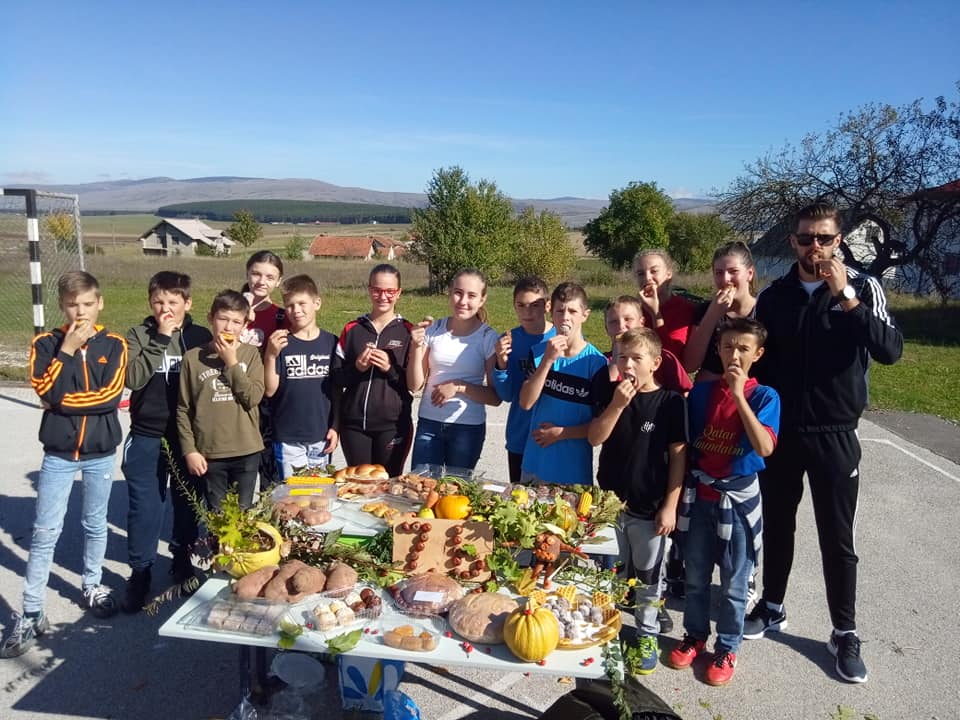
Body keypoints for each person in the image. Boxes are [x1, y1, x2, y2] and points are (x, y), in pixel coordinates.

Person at [744, 201, 903, 684]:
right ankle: (772, 605)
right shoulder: (775, 297)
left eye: (825, 238)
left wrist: (847, 297)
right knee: (779, 525)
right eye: (806, 238)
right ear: (792, 241)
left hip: (836, 435)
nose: (815, 247)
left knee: (838, 539)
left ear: (839, 242)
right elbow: (760, 362)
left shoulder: (865, 288)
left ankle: (844, 632)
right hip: (785, 434)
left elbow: (890, 350)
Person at [1, 271, 127, 658]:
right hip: (58, 453)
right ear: (62, 306)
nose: (81, 312)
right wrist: (68, 349)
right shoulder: (46, 343)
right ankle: (32, 610)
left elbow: (110, 396)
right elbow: (44, 389)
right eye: (73, 305)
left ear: (100, 302)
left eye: (88, 304)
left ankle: (92, 583)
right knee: (44, 531)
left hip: (100, 452)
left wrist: (62, 401)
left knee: (94, 522)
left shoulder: (114, 344)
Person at [667, 317, 780, 687]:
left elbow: (764, 446)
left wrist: (737, 396)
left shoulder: (765, 396)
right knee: (696, 575)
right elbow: (685, 443)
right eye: (728, 346)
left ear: (757, 354)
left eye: (743, 348)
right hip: (701, 496)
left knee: (734, 583)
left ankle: (727, 646)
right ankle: (695, 635)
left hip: (737, 498)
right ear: (718, 348)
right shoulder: (701, 393)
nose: (734, 354)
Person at [588, 327, 687, 675]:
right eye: (621, 357)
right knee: (610, 575)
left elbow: (678, 457)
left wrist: (670, 505)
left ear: (655, 363)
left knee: (647, 578)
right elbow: (594, 437)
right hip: (612, 506)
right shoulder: (614, 395)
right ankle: (609, 630)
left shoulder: (671, 403)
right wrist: (617, 405)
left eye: (636, 358)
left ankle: (646, 633)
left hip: (650, 510)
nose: (627, 364)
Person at [121, 271, 212, 613]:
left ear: (188, 303)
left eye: (173, 302)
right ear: (149, 302)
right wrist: (161, 336)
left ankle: (182, 560)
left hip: (187, 435)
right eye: (159, 301)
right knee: (145, 507)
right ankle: (141, 572)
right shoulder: (139, 334)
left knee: (188, 501)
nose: (166, 309)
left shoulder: (200, 336)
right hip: (148, 432)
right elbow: (133, 377)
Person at [177, 290, 265, 511]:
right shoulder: (192, 358)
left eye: (236, 322)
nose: (228, 327)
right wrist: (190, 450)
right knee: (217, 515)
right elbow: (183, 408)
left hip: (246, 449)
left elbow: (252, 397)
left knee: (242, 514)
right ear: (211, 318)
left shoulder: (251, 354)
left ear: (244, 325)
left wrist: (232, 363)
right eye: (223, 319)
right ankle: (217, 547)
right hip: (210, 452)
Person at [407, 268, 501, 472]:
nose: (463, 301)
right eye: (458, 292)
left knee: (456, 494)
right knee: (421, 490)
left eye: (472, 295)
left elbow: (495, 397)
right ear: (450, 293)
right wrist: (415, 346)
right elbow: (414, 385)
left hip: (467, 428)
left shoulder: (488, 338)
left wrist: (459, 386)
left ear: (482, 300)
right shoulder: (433, 330)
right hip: (429, 424)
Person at [518, 282, 608, 486]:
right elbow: (526, 402)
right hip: (535, 463)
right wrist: (547, 361)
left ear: (585, 315)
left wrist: (562, 433)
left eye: (573, 311)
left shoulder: (596, 363)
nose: (565, 317)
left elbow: (599, 428)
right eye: (560, 310)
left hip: (571, 471)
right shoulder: (540, 351)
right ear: (552, 314)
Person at [336, 264, 414, 477]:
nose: (383, 296)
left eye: (390, 291)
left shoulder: (407, 331)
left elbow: (414, 385)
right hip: (353, 426)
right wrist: (358, 367)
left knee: (389, 484)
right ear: (369, 290)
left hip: (392, 426)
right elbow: (336, 378)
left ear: (398, 293)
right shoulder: (352, 329)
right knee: (358, 485)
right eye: (377, 290)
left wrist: (390, 368)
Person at [264, 274, 340, 480]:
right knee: (293, 499)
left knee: (318, 499)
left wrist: (335, 426)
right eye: (289, 305)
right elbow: (270, 390)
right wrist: (270, 355)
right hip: (288, 437)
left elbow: (336, 390)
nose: (296, 310)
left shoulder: (331, 342)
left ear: (317, 303)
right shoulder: (280, 341)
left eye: (301, 303)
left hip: (320, 435)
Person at [492, 276, 555, 484]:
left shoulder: (558, 339)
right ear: (514, 306)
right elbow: (506, 395)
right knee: (521, 504)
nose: (528, 312)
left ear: (547, 306)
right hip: (520, 435)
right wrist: (501, 364)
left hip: (553, 434)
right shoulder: (509, 340)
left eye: (535, 305)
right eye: (521, 305)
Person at [238, 250, 287, 489]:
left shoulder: (281, 316)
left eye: (269, 277)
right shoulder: (230, 309)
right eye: (256, 274)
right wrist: (242, 311)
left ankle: (267, 522)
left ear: (278, 282)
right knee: (236, 471)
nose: (261, 281)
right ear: (247, 274)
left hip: (266, 401)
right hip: (232, 396)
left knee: (269, 471)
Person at [684, 241, 758, 382]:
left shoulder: (764, 307)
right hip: (710, 395)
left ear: (749, 273)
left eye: (733, 271)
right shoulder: (705, 310)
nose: (726, 279)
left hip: (750, 395)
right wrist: (713, 314)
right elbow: (690, 365)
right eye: (719, 273)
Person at [603, 295, 692, 394]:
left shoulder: (662, 357)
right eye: (613, 322)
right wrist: (616, 359)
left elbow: (684, 392)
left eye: (628, 319)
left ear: (642, 322)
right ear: (606, 329)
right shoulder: (601, 361)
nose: (621, 326)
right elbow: (603, 397)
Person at [633, 249, 698, 361]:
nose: (647, 278)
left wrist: (655, 314)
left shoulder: (683, 308)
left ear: (668, 274)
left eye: (654, 271)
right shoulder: (633, 309)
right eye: (640, 274)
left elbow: (671, 358)